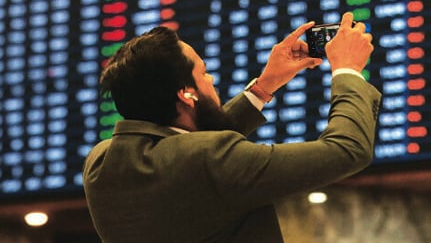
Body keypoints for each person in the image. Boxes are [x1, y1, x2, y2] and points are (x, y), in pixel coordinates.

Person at [82, 12, 381, 242]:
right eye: (204, 72)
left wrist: (265, 86)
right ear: (187, 94)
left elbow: (183, 152)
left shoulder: (100, 164)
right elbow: (347, 149)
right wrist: (347, 70)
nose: (211, 80)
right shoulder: (210, 161)